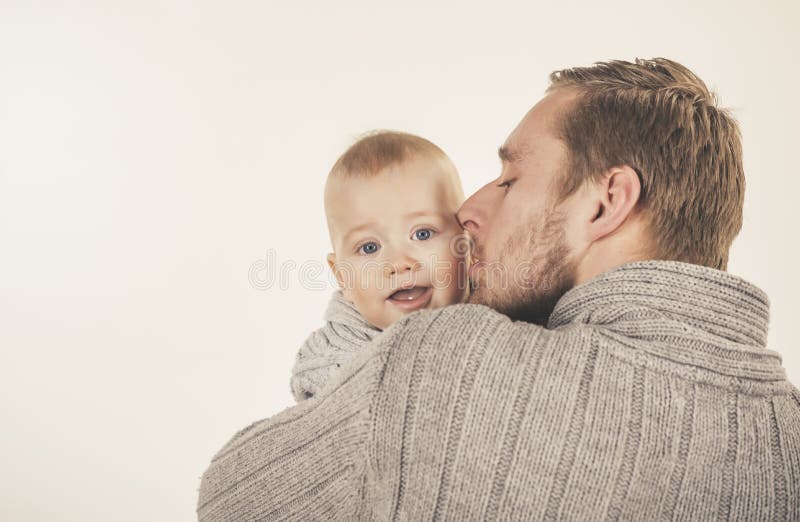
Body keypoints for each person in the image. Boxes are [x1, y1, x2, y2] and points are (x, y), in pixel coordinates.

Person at [197, 58, 800, 521]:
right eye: (369, 247)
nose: (470, 209)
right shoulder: (786, 441)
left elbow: (228, 497)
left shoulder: (443, 361)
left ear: (606, 202)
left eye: (510, 179)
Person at [289, 130, 470, 402]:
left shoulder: (504, 315)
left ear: (467, 241)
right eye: (369, 248)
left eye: (422, 234)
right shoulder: (334, 362)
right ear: (343, 277)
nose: (399, 264)